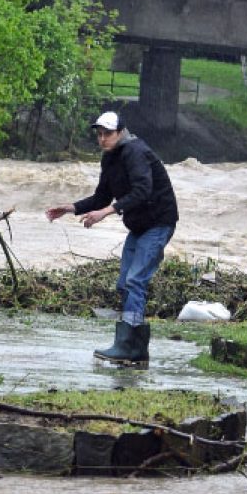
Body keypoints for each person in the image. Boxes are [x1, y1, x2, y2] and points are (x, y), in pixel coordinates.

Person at [46, 111, 178, 364]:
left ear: (120, 133)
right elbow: (101, 197)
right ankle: (135, 350)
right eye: (99, 134)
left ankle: (128, 346)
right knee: (124, 284)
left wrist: (105, 213)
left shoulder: (135, 152)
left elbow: (142, 190)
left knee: (135, 280)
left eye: (107, 133)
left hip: (159, 223)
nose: (102, 139)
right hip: (139, 227)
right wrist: (71, 208)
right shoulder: (109, 159)